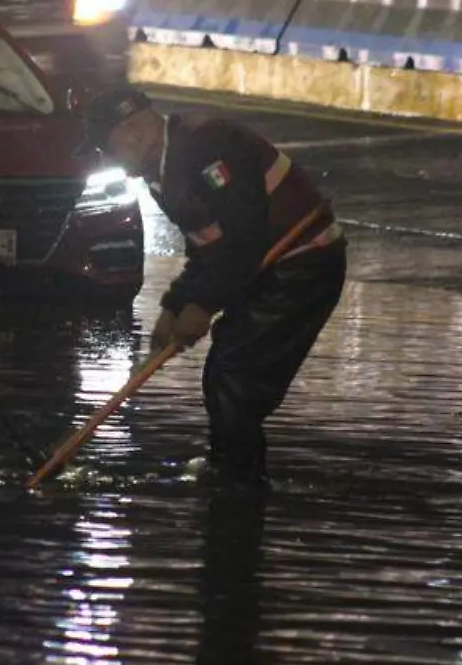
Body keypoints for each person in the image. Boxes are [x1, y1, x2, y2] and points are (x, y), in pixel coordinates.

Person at [77, 86, 347, 488]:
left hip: (301, 264)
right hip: (266, 268)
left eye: (107, 148)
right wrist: (177, 304)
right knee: (227, 372)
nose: (108, 160)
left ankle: (239, 481)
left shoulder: (209, 147)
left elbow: (242, 237)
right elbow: (207, 248)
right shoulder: (164, 174)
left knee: (235, 374)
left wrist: (200, 305)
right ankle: (232, 468)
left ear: (132, 133)